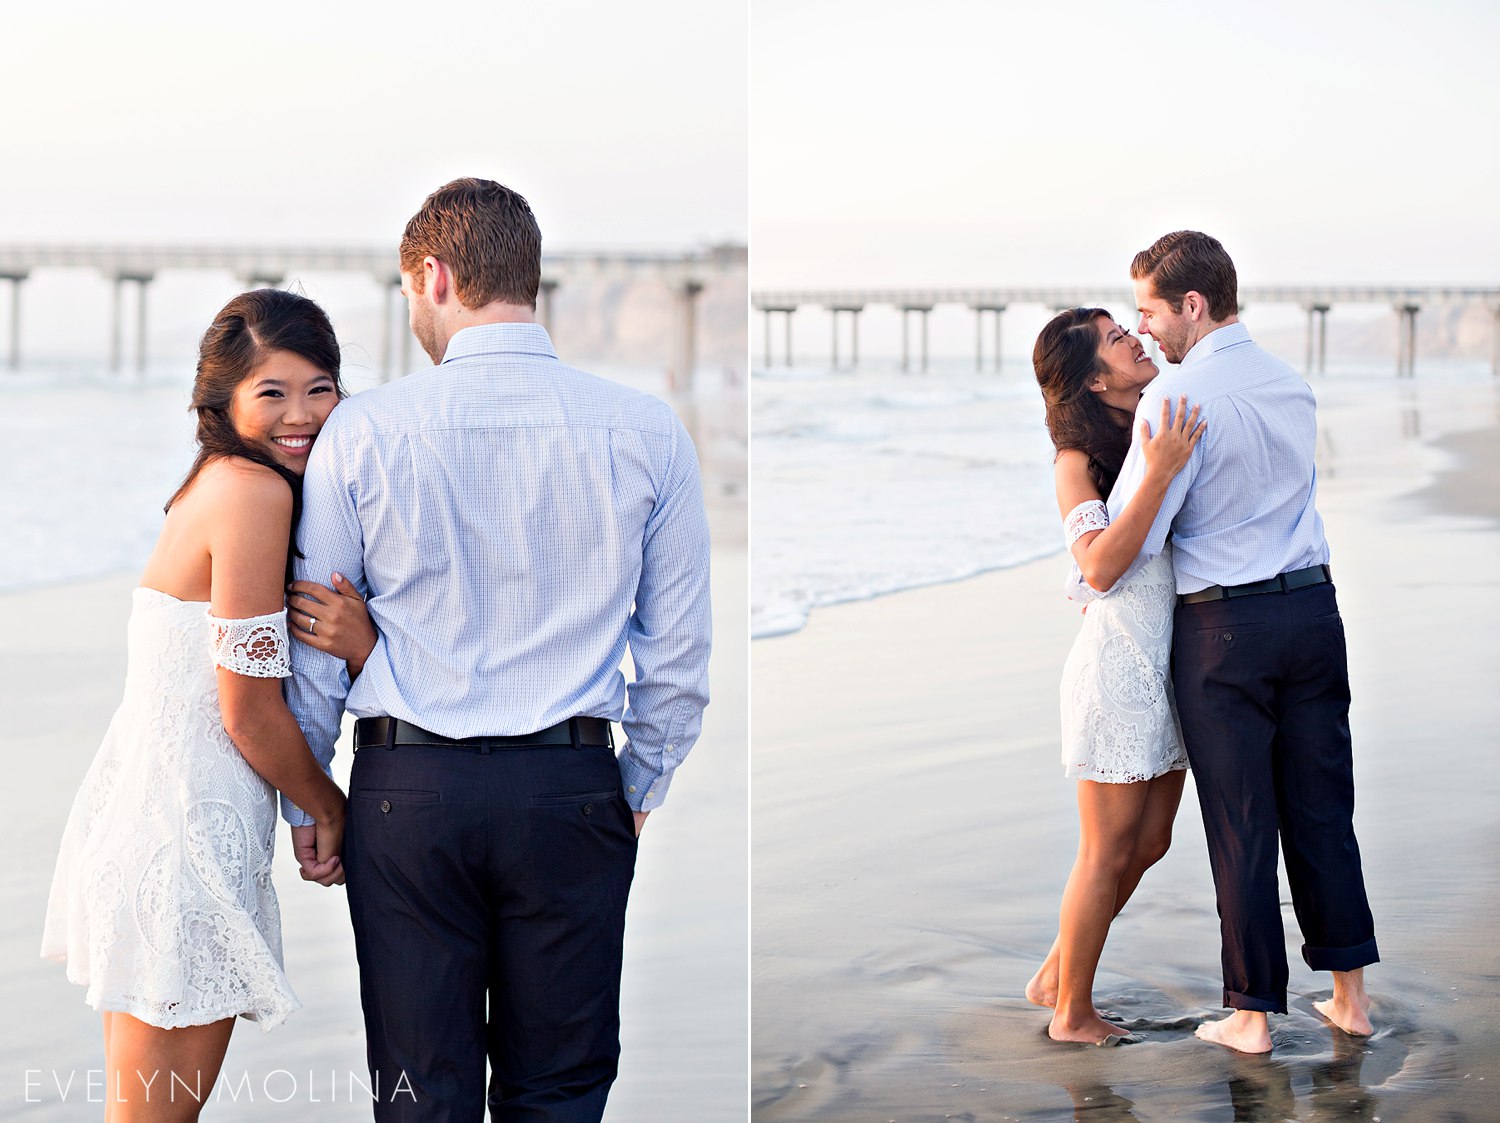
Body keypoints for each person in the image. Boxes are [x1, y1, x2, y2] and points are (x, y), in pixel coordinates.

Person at [283, 177, 712, 1120]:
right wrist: (638, 786)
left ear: (433, 275)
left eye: (407, 293)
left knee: (419, 1092)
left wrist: (309, 798)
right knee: (558, 1089)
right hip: (571, 791)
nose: (411, 315)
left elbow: (316, 634)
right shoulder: (646, 428)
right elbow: (677, 657)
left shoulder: (363, 430)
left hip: (408, 795)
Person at [41, 289, 375, 1118]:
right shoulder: (253, 496)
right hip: (186, 845)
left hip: (149, 823)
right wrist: (331, 806)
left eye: (319, 387)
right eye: (272, 393)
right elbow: (248, 711)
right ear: (222, 400)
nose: (301, 414)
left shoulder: (218, 482)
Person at [1113, 230, 1377, 1054]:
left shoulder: (1175, 401)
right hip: (1313, 613)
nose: (1145, 329)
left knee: (1241, 821)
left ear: (1192, 304)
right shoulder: (1290, 384)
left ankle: (1254, 1015)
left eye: (1150, 311)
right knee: (1324, 807)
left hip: (1225, 628)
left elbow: (1141, 536)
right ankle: (1351, 998)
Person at [1026, 308, 1205, 1045]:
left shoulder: (1150, 429)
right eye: (1114, 338)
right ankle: (1071, 1011)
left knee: (1153, 839)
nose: (1133, 339)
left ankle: (1053, 973)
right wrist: (1160, 472)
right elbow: (1096, 564)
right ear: (1095, 378)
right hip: (1118, 667)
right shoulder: (1077, 458)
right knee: (1105, 849)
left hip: (1170, 666)